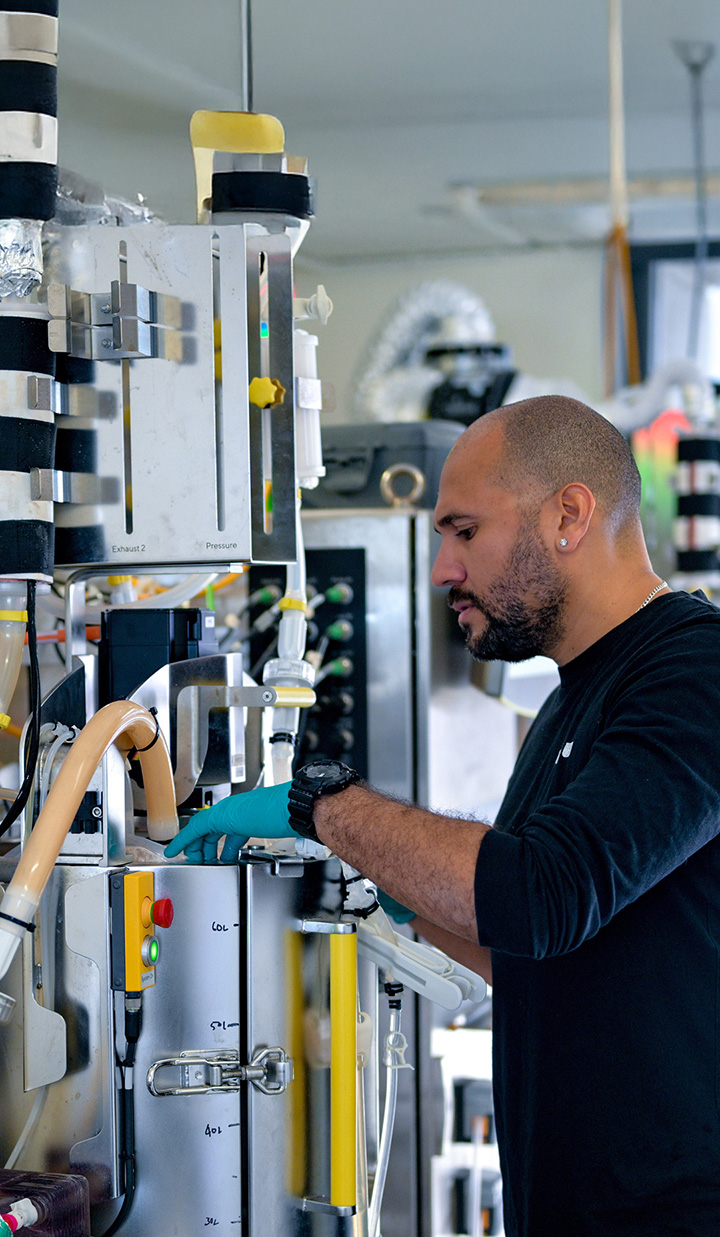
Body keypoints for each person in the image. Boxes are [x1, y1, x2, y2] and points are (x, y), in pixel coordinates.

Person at [165, 395, 720, 1236]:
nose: (441, 571)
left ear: (569, 513)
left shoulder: (692, 669)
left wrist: (321, 804)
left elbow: (543, 891)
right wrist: (390, 886)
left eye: (464, 531)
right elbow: (537, 953)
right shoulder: (573, 701)